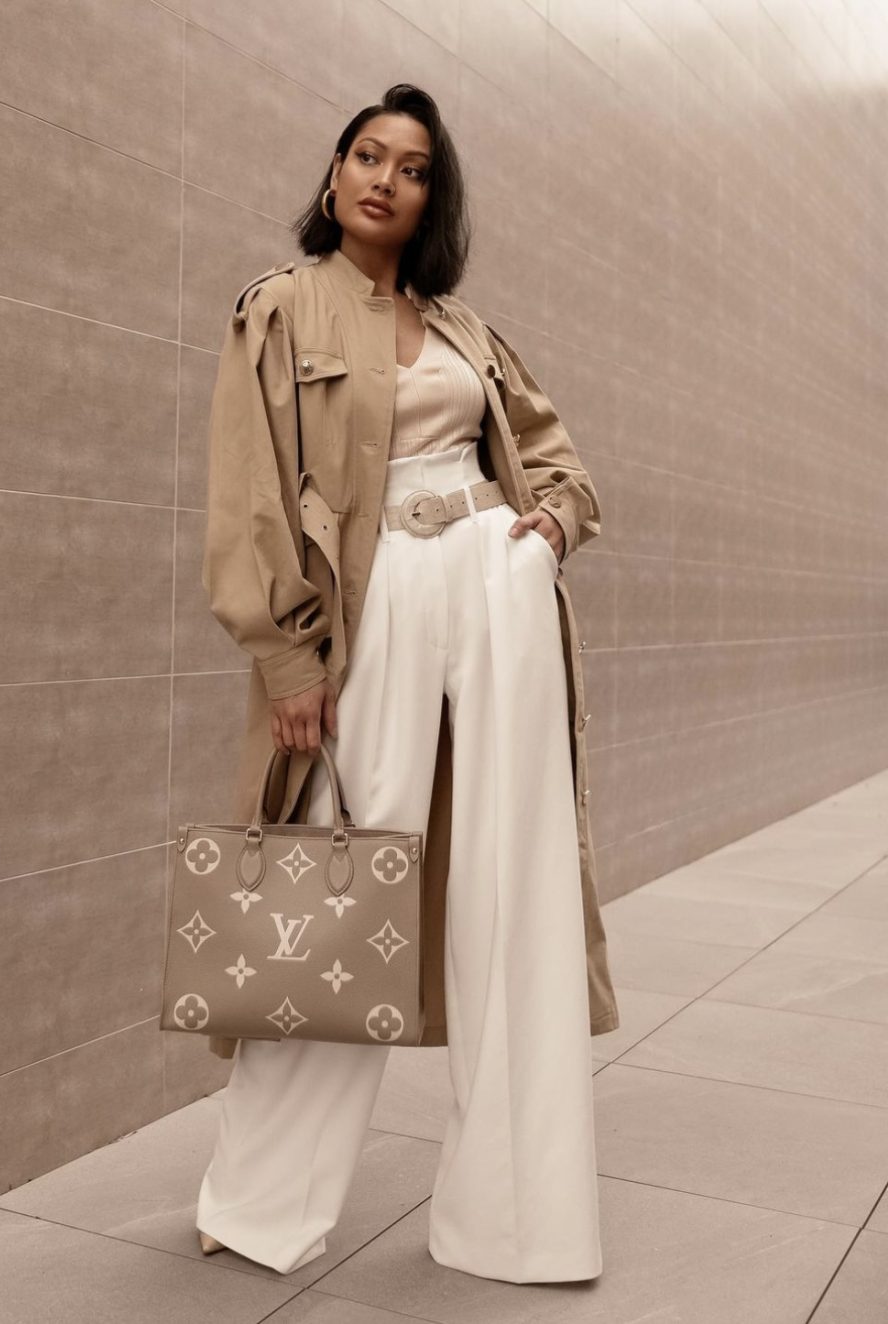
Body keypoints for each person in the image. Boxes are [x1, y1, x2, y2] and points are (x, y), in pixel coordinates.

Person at [183, 83, 617, 1284]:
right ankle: (262, 1199)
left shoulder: (469, 329)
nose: (384, 177)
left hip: (496, 579)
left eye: (412, 165)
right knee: (340, 876)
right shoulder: (279, 310)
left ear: (435, 195)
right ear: (334, 176)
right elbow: (250, 496)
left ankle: (520, 1221)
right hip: (371, 607)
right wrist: (286, 658)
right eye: (366, 155)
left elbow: (560, 455)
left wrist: (554, 526)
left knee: (511, 876)